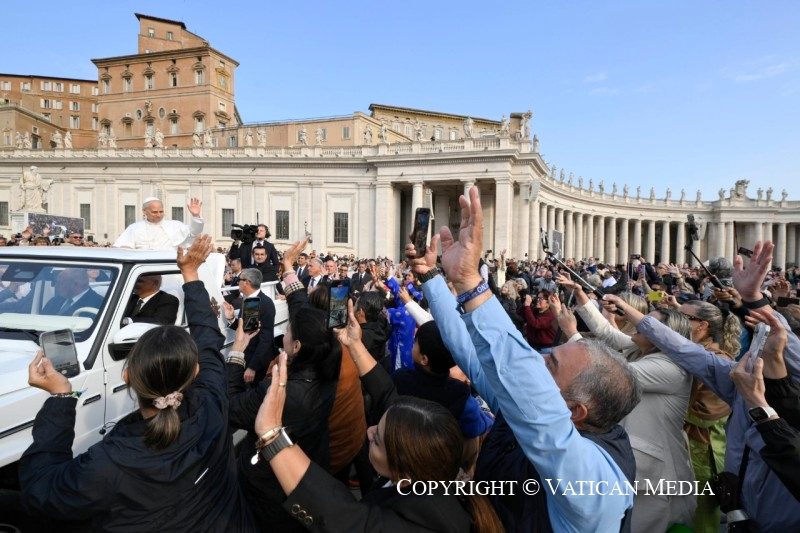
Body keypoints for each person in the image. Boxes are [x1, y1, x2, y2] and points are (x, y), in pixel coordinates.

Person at [407, 187, 640, 532]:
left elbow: (528, 386)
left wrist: (472, 284)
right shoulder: (520, 411)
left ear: (575, 411)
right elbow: (470, 352)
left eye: (550, 365)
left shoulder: (598, 486)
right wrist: (432, 277)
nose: (538, 360)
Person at [18, 235, 255, 530]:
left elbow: (42, 491)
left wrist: (61, 398)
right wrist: (190, 274)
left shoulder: (110, 462)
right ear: (196, 371)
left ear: (127, 375)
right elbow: (208, 338)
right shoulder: (213, 403)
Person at [252, 306, 503, 532]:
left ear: (405, 472)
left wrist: (272, 435)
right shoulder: (425, 466)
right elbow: (386, 394)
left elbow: (340, 516)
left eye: (379, 439)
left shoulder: (420, 520)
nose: (370, 431)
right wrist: (354, 344)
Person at [610, 241, 800, 531]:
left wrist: (759, 406)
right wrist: (752, 299)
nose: (745, 357)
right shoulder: (739, 379)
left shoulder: (755, 387)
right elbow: (683, 348)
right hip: (741, 504)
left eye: (763, 348)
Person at [227, 280, 338, 531]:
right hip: (309, 468)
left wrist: (237, 351)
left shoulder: (278, 390)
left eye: (287, 331)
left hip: (269, 487)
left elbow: (232, 408)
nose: (283, 336)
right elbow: (305, 317)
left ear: (296, 346)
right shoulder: (329, 365)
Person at [222, 268, 276, 384]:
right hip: (246, 358)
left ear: (247, 282)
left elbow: (266, 339)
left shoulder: (265, 303)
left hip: (255, 363)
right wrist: (231, 318)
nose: (237, 282)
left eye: (239, 280)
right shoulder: (250, 300)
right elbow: (248, 330)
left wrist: (253, 367)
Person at [113, 197, 204, 250]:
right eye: (154, 212)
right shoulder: (134, 228)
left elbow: (194, 232)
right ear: (144, 211)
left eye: (161, 211)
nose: (158, 215)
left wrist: (196, 215)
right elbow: (121, 248)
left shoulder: (174, 225)